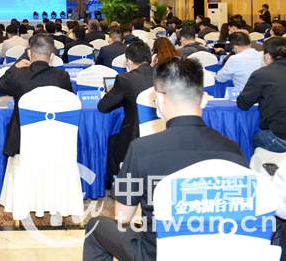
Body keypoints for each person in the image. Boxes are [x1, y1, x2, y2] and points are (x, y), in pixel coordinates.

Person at [82, 57, 247, 261]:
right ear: (204, 99)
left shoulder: (141, 150)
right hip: (219, 252)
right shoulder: (233, 151)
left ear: (159, 101)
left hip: (157, 252)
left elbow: (122, 216)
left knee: (96, 226)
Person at [0, 34, 73, 157]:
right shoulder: (62, 77)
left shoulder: (19, 75)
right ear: (52, 57)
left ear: (29, 54)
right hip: (55, 139)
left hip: (22, 141)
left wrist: (14, 68)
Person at [97, 41, 154, 185]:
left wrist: (113, 94)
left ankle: (117, 186)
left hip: (134, 136)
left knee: (111, 143)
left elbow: (103, 107)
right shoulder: (164, 75)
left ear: (128, 61)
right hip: (162, 133)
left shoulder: (125, 79)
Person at [237, 36, 286, 153]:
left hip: (280, 138)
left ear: (267, 56)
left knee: (253, 138)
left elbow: (243, 104)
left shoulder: (263, 74)